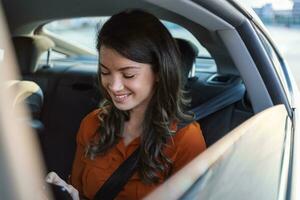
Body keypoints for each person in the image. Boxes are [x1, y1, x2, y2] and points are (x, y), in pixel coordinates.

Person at [70, 9, 206, 200]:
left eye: (128, 75)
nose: (114, 86)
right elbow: (80, 191)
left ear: (159, 71)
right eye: (105, 72)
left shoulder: (185, 140)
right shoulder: (92, 124)